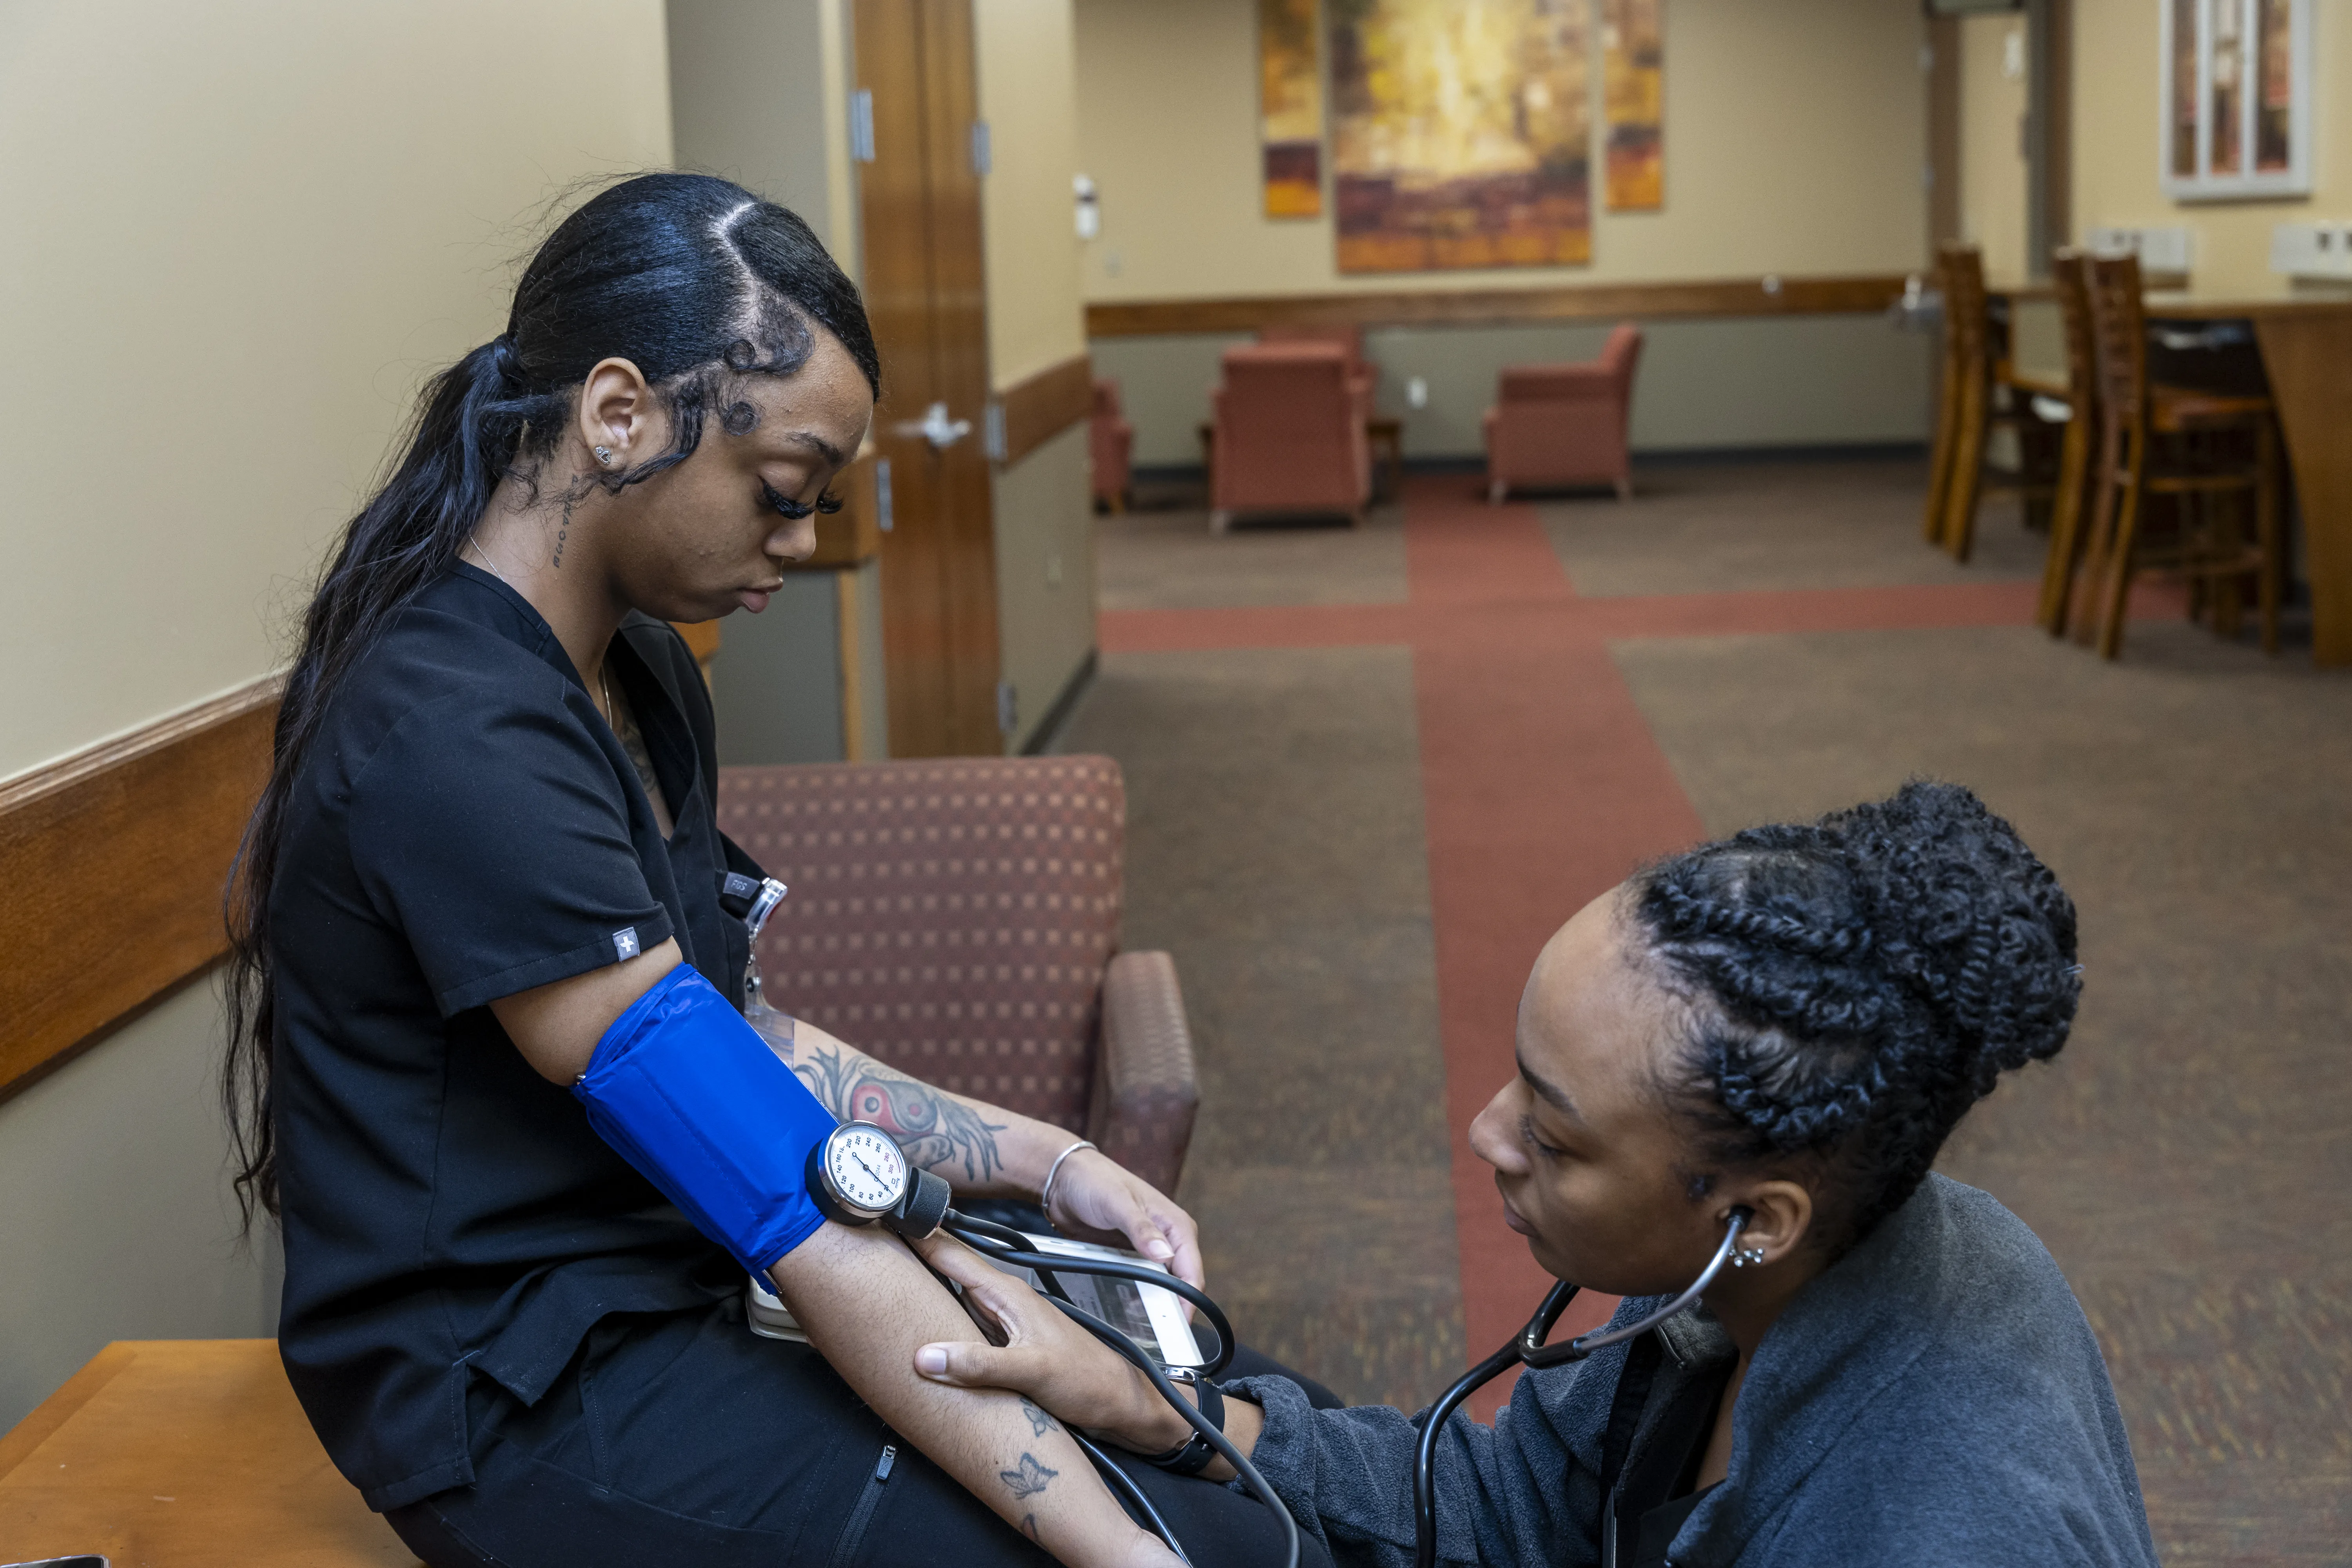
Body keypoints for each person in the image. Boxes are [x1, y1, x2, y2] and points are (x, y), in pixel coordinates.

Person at [222, 173, 1324, 1568]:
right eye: (784, 491)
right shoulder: (454, 735)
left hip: (675, 1281)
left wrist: (1050, 1165)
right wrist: (1120, 1553)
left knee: (1253, 1438)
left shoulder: (637, 671)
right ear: (618, 416)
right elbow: (765, 1178)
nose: (802, 542)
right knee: (1211, 1539)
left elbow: (731, 1039)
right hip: (516, 1394)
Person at [909, 782, 2163, 1568]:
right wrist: (1164, 1413)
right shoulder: (1744, 1274)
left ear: (1754, 1220)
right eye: (1519, 1078)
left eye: (1555, 1140)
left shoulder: (1939, 1519)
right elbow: (1510, 1513)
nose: (1485, 1136)